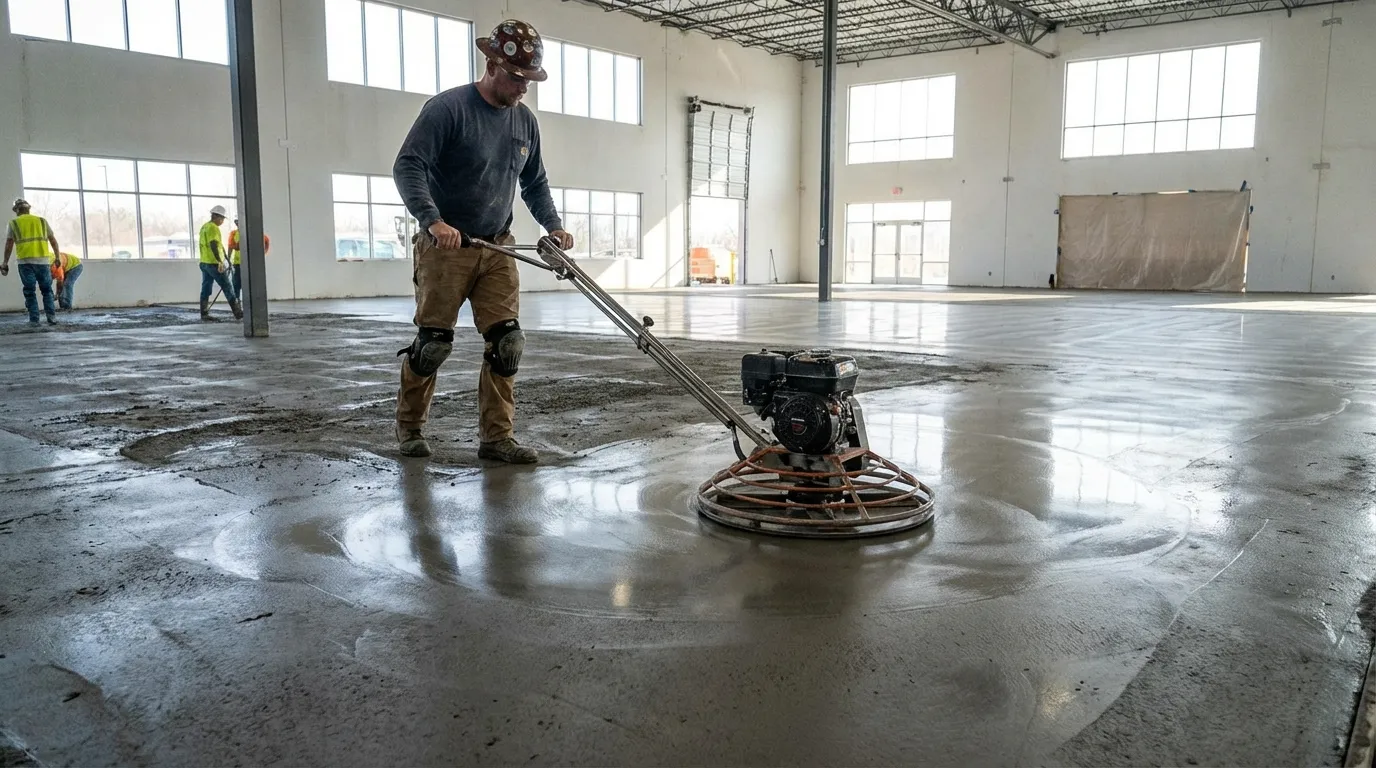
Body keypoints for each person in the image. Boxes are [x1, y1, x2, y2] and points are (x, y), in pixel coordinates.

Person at [391, 19, 574, 463]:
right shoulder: (447, 109)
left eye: (528, 80)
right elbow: (408, 167)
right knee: (433, 344)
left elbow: (534, 182)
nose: (522, 88)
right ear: (491, 64)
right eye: (515, 78)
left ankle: (496, 438)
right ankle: (409, 427)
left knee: (507, 343)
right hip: (446, 249)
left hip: (498, 247)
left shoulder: (524, 123)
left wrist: (553, 226)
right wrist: (433, 222)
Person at [2, 198, 60, 326]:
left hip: (25, 262)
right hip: (43, 261)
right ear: (28, 209)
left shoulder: (13, 223)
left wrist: (5, 262)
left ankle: (34, 319)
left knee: (29, 290)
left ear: (17, 210)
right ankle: (51, 317)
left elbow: (9, 244)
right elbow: (53, 241)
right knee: (46, 289)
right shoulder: (41, 221)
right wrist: (57, 257)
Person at [198, 205, 241, 322]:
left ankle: (204, 313)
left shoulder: (204, 227)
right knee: (227, 285)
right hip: (213, 264)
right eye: (221, 218)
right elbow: (213, 245)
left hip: (204, 263)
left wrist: (226, 259)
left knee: (206, 287)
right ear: (216, 216)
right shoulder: (213, 228)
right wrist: (220, 261)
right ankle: (238, 313)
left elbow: (219, 245)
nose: (222, 221)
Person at [227, 218, 270, 299]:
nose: (238, 224)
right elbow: (230, 247)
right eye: (237, 222)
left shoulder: (255, 233)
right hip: (238, 263)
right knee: (236, 283)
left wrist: (264, 253)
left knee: (251, 283)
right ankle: (237, 300)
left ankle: (252, 300)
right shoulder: (233, 234)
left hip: (251, 264)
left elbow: (266, 241)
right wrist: (228, 259)